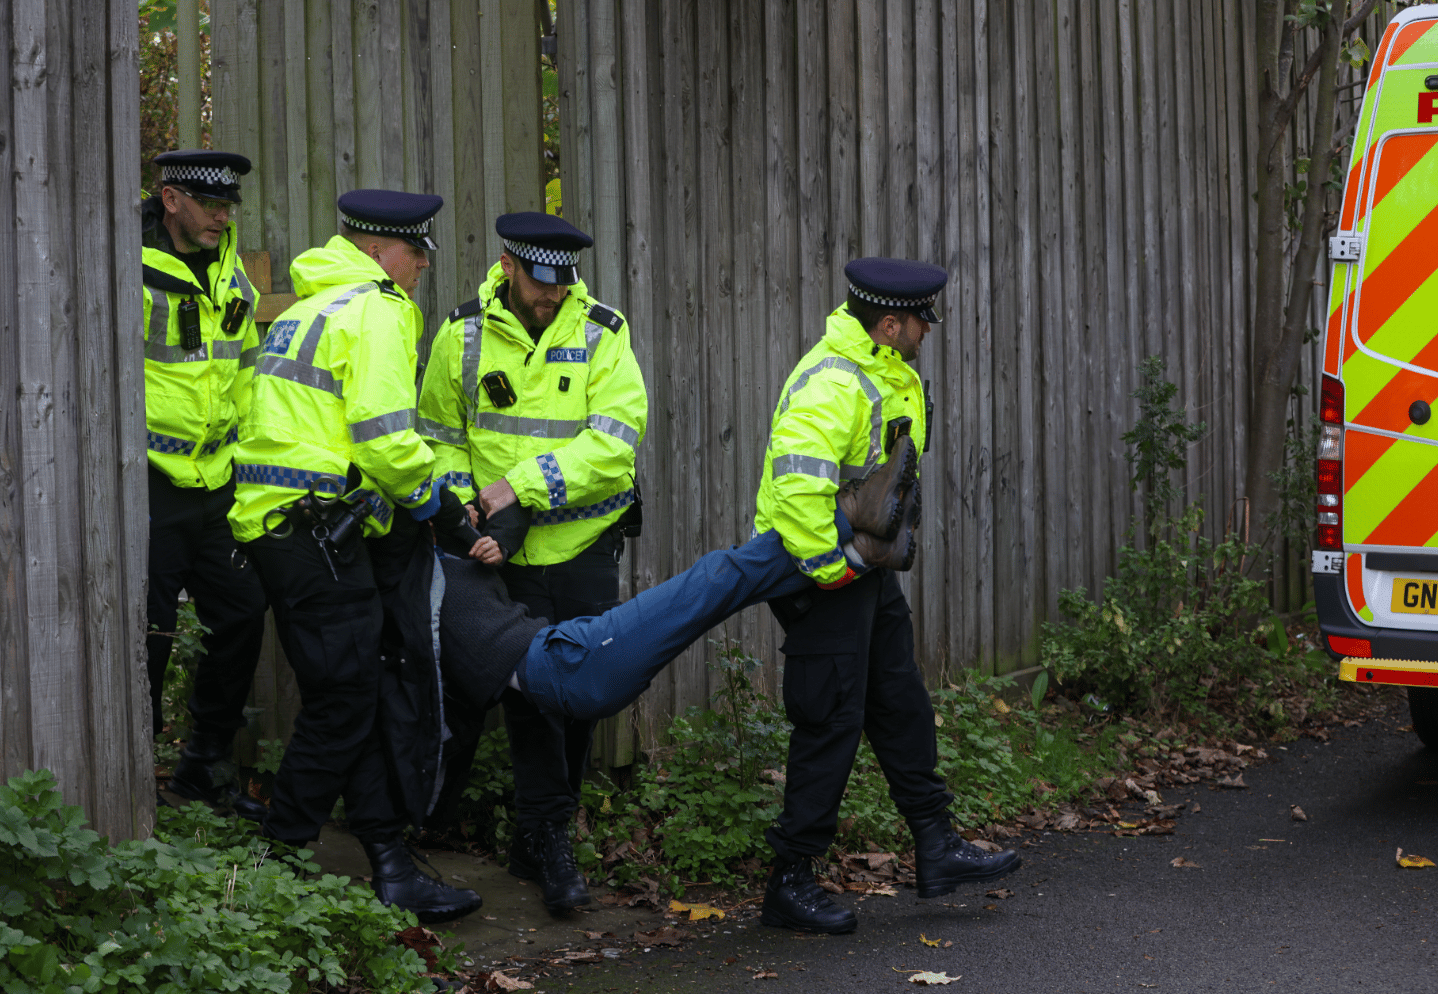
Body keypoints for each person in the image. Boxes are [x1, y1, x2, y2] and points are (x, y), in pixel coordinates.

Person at [227, 190, 482, 924]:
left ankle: (391, 865)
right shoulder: (375, 309)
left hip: (286, 530)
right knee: (343, 700)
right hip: (316, 534)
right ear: (376, 251)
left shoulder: (311, 307)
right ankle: (276, 866)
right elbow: (383, 440)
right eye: (417, 252)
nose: (425, 264)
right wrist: (437, 505)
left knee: (359, 692)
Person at [749, 258, 1020, 935]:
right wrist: (831, 566)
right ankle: (789, 880)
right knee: (831, 719)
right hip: (821, 572)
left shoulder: (884, 370)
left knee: (899, 701)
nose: (928, 332)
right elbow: (795, 487)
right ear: (890, 322)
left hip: (861, 571)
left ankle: (937, 847)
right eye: (920, 321)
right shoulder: (834, 381)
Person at [417, 212, 648, 913]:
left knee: (579, 696)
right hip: (499, 557)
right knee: (530, 693)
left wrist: (519, 489)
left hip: (581, 548)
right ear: (509, 265)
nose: (551, 295)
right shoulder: (460, 333)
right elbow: (438, 436)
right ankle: (549, 839)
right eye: (540, 281)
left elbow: (614, 446)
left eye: (563, 282)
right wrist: (468, 520)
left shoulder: (603, 332)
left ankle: (534, 835)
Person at [141, 150, 268, 821]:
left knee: (243, 613)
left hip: (219, 484)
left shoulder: (234, 280)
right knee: (150, 637)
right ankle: (135, 784)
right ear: (171, 200)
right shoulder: (129, 273)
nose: (224, 215)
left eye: (229, 205)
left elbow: (245, 375)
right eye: (211, 203)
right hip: (152, 486)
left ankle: (201, 768)